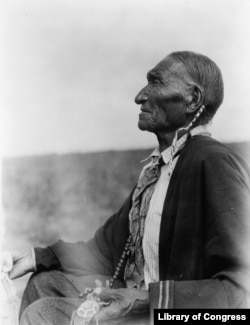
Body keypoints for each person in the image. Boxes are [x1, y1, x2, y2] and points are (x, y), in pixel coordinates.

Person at [3, 51, 250, 325]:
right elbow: (106, 251)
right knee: (44, 284)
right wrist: (38, 256)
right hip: (144, 299)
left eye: (156, 83)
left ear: (193, 99)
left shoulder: (213, 162)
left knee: (43, 314)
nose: (140, 96)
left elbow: (242, 288)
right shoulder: (159, 169)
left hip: (176, 314)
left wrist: (142, 300)